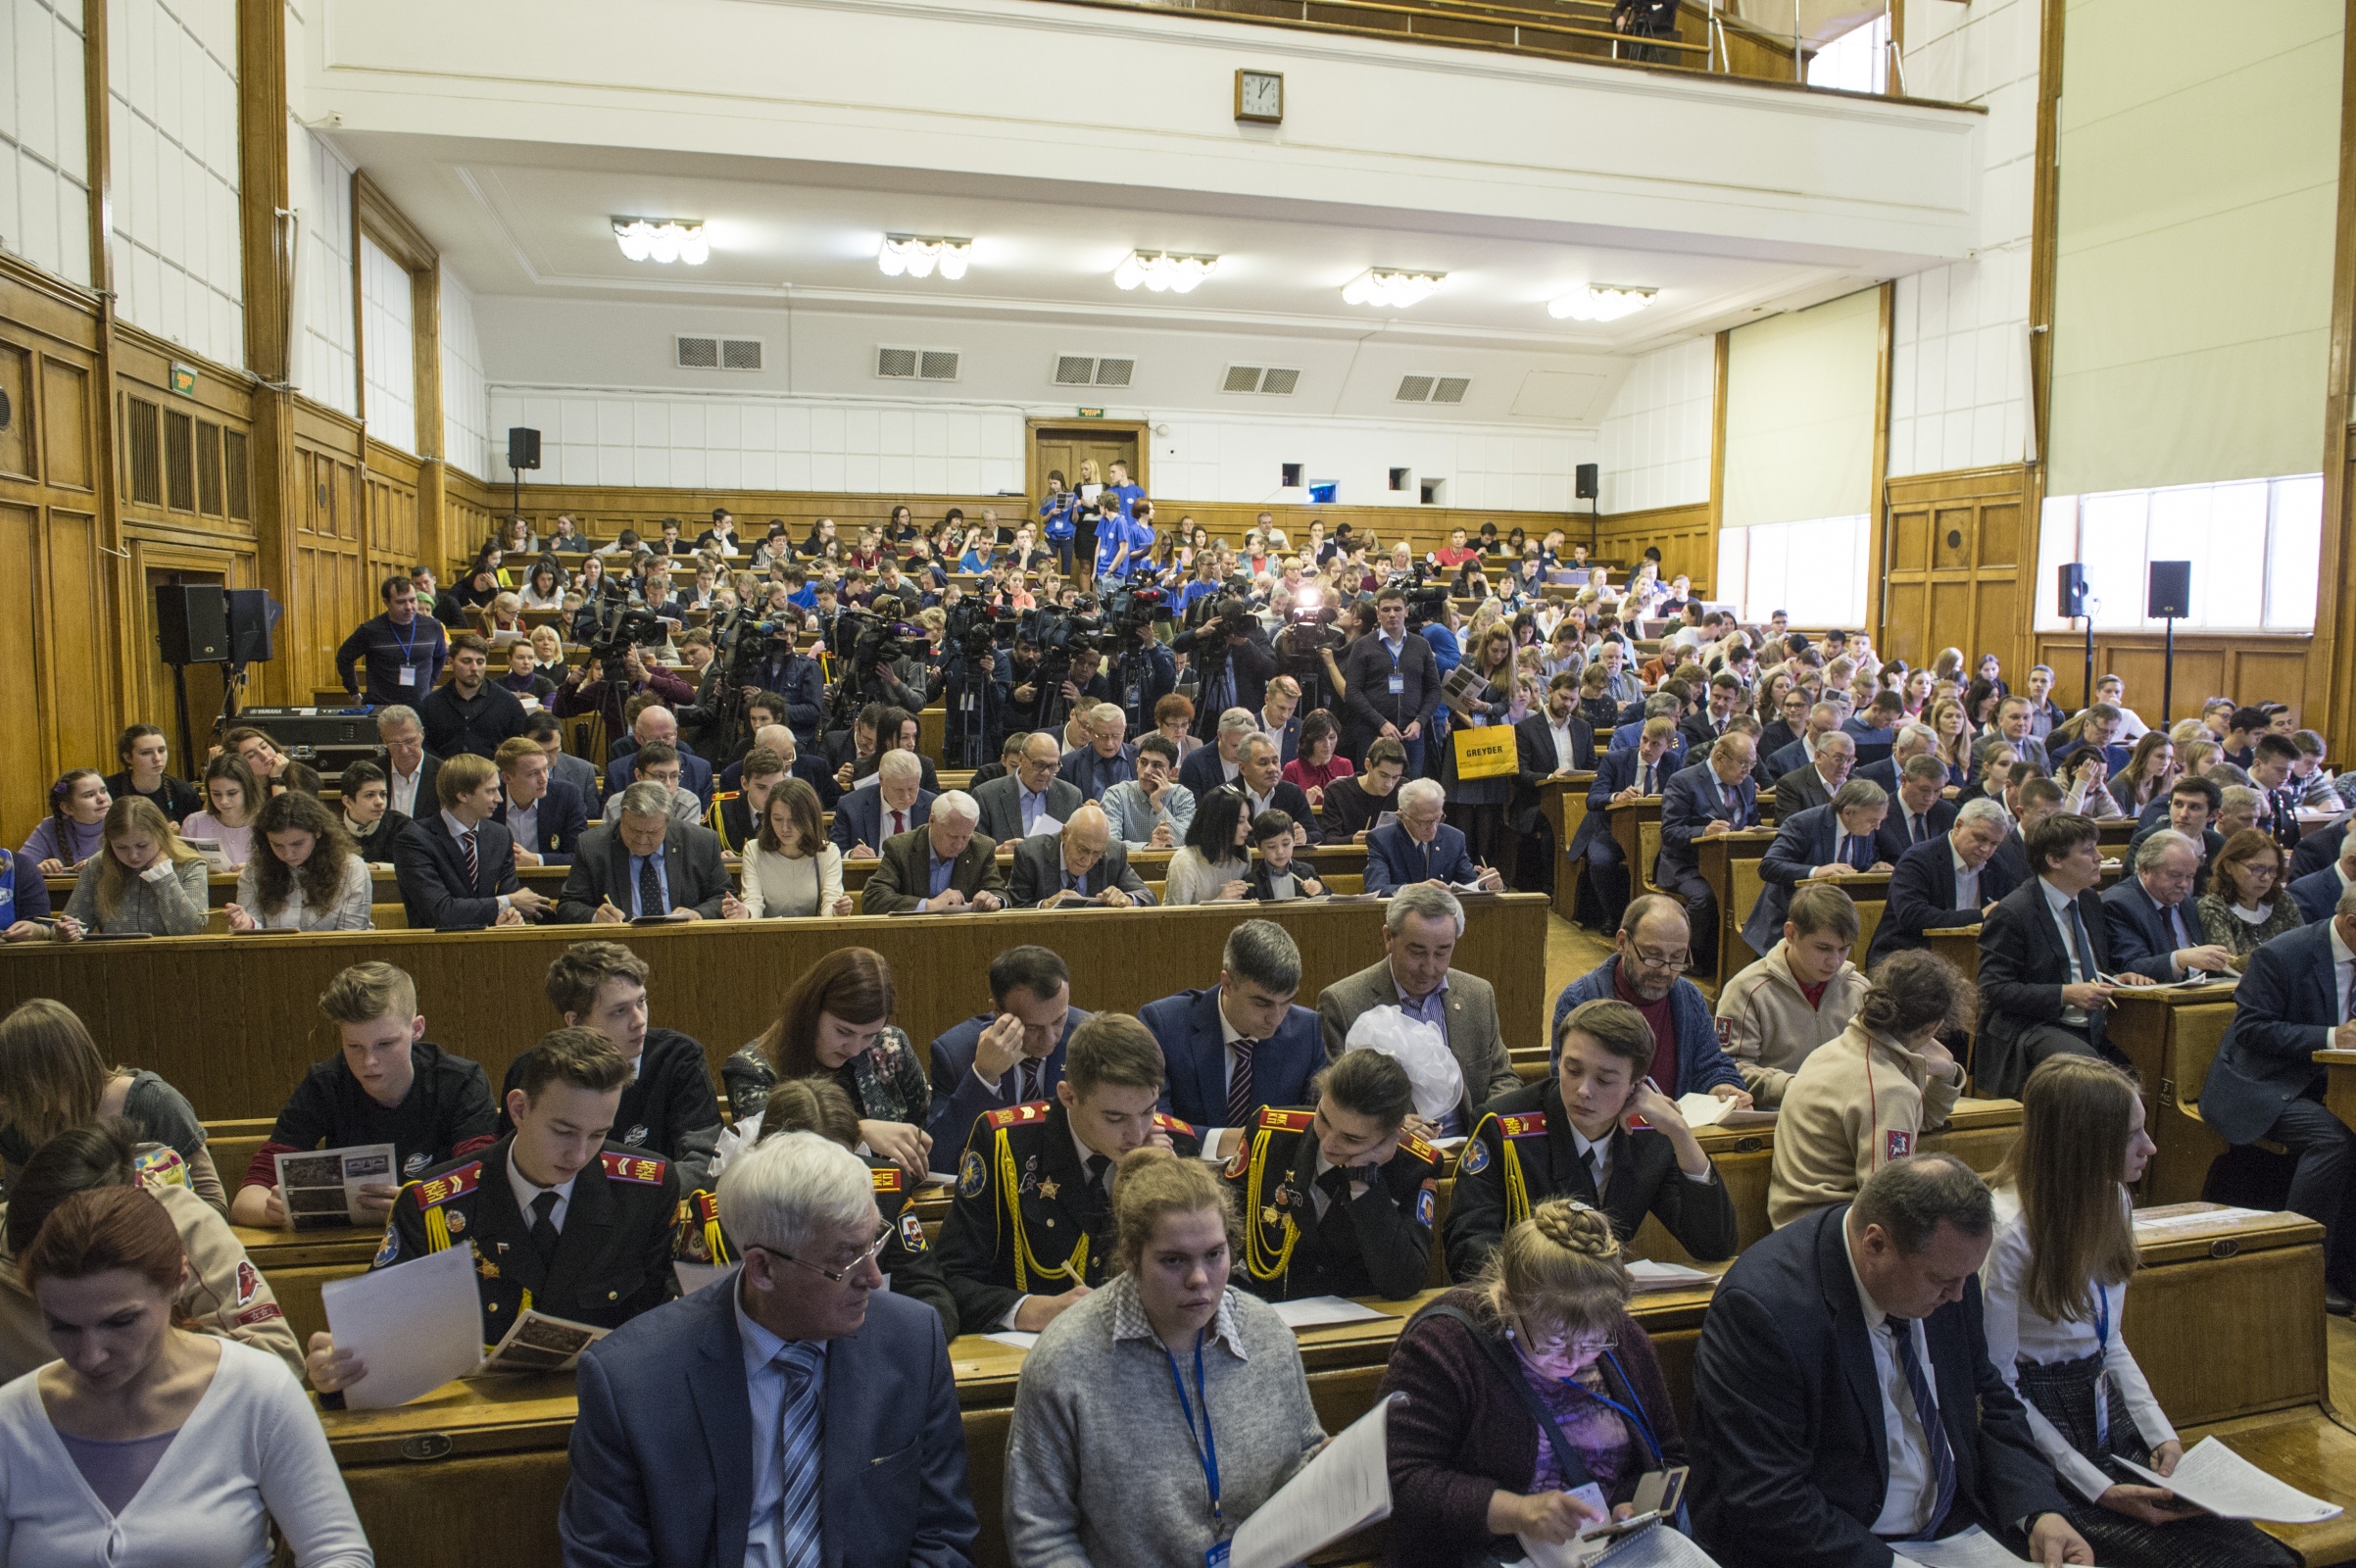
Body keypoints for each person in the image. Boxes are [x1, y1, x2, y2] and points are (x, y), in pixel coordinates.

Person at [560, 1130, 978, 1568]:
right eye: (845, 1259)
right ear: (762, 1268)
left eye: (873, 1243)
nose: (873, 1277)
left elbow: (943, 1537)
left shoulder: (911, 1341)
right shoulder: (631, 1380)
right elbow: (606, 1559)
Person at [1981, 1057, 2303, 1566]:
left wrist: (2162, 1435)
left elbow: (2109, 1344)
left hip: (2103, 1409)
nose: (2150, 1148)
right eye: (2133, 1135)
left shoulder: (2113, 1200)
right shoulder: (2009, 1234)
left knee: (2257, 1552)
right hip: (2039, 1437)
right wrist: (2098, 1487)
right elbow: (1999, 1390)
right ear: (2086, 1145)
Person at [1692, 1154, 2087, 1568]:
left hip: (1955, 1531)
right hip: (1837, 1546)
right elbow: (1769, 1498)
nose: (1957, 1295)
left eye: (1965, 1279)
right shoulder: (1764, 1309)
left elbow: (1989, 1396)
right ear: (1875, 1244)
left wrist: (2039, 1512)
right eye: (1942, 1281)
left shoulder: (1950, 1268)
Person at [0, 1184, 371, 1566]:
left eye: (121, 1321)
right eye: (63, 1327)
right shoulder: (10, 1420)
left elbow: (338, 1553)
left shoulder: (256, 1390)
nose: (91, 1356)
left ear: (179, 1280)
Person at [307, 1029, 680, 1396]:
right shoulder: (435, 1204)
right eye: (563, 1132)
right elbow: (377, 1338)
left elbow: (666, 1323)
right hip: (473, 1414)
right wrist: (334, 1369)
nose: (580, 1155)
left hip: (604, 1403)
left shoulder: (645, 1190)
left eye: (598, 1134)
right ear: (519, 1109)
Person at [1002, 1143, 1323, 1568]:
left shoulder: (1268, 1336)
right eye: (1174, 1261)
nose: (1199, 1279)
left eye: (1215, 1255)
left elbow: (1304, 1461)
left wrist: (1331, 1469)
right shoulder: (1066, 1360)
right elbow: (1039, 1531)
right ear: (1131, 1256)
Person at [1386, 1200, 1695, 1566]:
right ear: (1509, 1302)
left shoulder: (1624, 1338)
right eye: (1552, 1343)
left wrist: (1629, 1506)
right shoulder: (1444, 1343)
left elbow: (1668, 1453)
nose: (1572, 1359)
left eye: (1592, 1343)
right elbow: (1400, 1478)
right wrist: (1516, 1511)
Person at [936, 1012, 1201, 1333]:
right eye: (1115, 1118)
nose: (1137, 1133)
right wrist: (1034, 1309)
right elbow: (951, 1278)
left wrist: (1159, 1192)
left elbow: (1203, 1276)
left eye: (1148, 1110)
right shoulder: (1005, 1142)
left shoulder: (1177, 1146)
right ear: (1068, 1096)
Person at [1449, 998, 1737, 1280]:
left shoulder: (1651, 1133)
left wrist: (1681, 1133)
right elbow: (1469, 1250)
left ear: (1636, 1085)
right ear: (1559, 1060)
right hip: (1527, 1306)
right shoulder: (1502, 1127)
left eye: (1605, 1080)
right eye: (1572, 1070)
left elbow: (1713, 1245)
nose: (1583, 1090)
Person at [675, 1075, 957, 1336]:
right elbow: (692, 1316)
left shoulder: (886, 1190)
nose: (824, 1180)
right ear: (771, 1156)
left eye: (838, 1164)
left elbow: (933, 1301)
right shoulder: (722, 1206)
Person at [229, 963, 495, 1227]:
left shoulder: (460, 1082)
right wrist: (274, 1210)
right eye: (354, 1046)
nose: (369, 1061)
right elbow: (245, 1201)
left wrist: (416, 1205)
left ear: (416, 1029)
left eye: (385, 1044)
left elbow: (485, 1185)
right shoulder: (326, 1083)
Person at [2199, 884, 2356, 1314]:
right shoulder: (2284, 954)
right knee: (2335, 1138)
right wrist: (2331, 1037)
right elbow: (2252, 1029)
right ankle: (2301, 1264)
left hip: (2332, 1083)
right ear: (2352, 924)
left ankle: (2347, 1265)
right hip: (2262, 1084)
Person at [1770, 947, 1976, 1229]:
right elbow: (1889, 1207)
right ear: (1934, 1027)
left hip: (1796, 1228)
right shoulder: (1887, 1088)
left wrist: (1946, 1074)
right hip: (1827, 1238)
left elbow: (1919, 1119)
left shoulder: (1835, 1050)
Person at [1221, 1049, 1440, 1300]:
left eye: (1351, 1138)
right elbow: (1223, 1228)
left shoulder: (1415, 1166)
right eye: (1324, 1119)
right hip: (1267, 1306)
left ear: (1394, 1132)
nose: (1329, 1144)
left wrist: (1363, 1181)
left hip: (1358, 1323)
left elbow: (1402, 1282)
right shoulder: (1268, 1134)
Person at [1974, 812, 2158, 1098]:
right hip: (2035, 1026)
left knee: (2149, 1069)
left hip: (2093, 1023)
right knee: (2096, 1080)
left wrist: (2117, 978)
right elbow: (1993, 990)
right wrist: (2065, 994)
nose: (2100, 857)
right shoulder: (2014, 912)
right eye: (2088, 851)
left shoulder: (2088, 900)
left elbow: (2090, 965)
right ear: (2054, 860)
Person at [1319, 884, 1521, 1134]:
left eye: (1442, 953)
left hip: (1469, 1149)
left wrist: (1486, 1128)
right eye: (1417, 952)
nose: (1429, 967)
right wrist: (1391, 1125)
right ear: (1388, 938)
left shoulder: (1477, 995)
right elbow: (1336, 1101)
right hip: (1389, 1156)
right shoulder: (1344, 1003)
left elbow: (1503, 1078)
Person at [0, 998, 218, 1208]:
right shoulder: (18, 1121)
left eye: (14, 1082)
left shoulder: (157, 1104)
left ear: (49, 1072)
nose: (5, 1098)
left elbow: (213, 1205)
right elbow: (14, 1215)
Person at [745, 947, 933, 1180]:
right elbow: (768, 1153)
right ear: (812, 1010)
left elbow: (924, 1130)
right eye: (844, 1031)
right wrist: (858, 1130)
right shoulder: (754, 1068)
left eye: (869, 1035)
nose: (854, 1049)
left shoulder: (890, 1045)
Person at [1142, 919, 1326, 1135]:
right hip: (1184, 1166)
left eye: (1287, 1001)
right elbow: (1153, 1125)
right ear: (1227, 984)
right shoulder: (1164, 1025)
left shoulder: (1308, 1031)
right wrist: (1225, 1141)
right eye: (1262, 1003)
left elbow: (1317, 1128)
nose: (1276, 1018)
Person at [1715, 883, 1872, 1106]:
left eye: (1844, 948)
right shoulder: (1746, 989)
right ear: (1791, 933)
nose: (1835, 961)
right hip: (1774, 1116)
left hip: (1842, 1115)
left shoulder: (1859, 989)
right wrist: (1791, 1086)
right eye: (1823, 948)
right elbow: (1730, 1066)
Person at [925, 946, 1089, 1149]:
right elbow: (937, 1156)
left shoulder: (1091, 1039)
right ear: (997, 1011)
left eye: (1059, 1020)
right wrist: (983, 1076)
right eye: (1033, 1027)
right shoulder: (955, 1053)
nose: (1049, 1038)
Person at [392, 752, 554, 929]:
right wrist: (507, 902)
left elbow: (510, 898)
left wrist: (508, 917)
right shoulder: (414, 840)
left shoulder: (499, 835)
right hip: (436, 947)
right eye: (490, 791)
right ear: (463, 795)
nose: (499, 798)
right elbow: (441, 911)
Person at [554, 779, 735, 923]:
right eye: (634, 830)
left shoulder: (700, 842)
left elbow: (725, 897)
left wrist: (698, 914)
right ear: (622, 817)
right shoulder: (593, 845)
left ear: (667, 822)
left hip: (684, 944)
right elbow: (568, 905)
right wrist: (595, 916)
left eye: (652, 832)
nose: (642, 840)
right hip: (617, 950)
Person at [1870, 798, 2020, 966]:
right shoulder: (1919, 859)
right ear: (1958, 826)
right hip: (1907, 956)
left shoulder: (1997, 867)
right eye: (1980, 838)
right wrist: (1980, 916)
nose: (1986, 849)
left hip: (1969, 959)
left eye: (1994, 843)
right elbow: (1913, 915)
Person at [1656, 733, 1761, 968]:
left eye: (1752, 764)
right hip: (1687, 865)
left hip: (1731, 864)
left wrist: (1751, 830)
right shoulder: (1684, 781)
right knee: (1705, 897)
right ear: (1720, 757)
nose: (1748, 770)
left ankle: (1736, 960)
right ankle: (1688, 957)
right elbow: (1670, 832)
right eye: (1743, 763)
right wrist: (1704, 832)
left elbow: (1753, 818)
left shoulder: (1745, 784)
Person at [221, 790, 369, 932]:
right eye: (277, 845)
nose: (287, 854)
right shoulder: (254, 870)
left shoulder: (351, 868)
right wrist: (248, 925)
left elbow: (350, 939)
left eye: (297, 844)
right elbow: (254, 938)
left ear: (317, 832)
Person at [1339, 585, 1442, 770]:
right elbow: (1352, 691)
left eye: (1397, 609)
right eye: (1386, 610)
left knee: (1410, 792)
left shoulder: (1421, 646)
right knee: (1372, 791)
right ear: (1378, 613)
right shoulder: (1363, 646)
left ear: (1407, 611)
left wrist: (1421, 721)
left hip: (1412, 735)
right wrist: (1381, 723)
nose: (1392, 614)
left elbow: (1434, 689)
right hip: (1372, 733)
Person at [860, 789, 1006, 913]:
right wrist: (928, 905)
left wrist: (994, 900)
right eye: (952, 836)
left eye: (966, 837)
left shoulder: (982, 847)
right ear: (932, 821)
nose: (959, 844)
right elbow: (874, 898)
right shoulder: (900, 847)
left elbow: (999, 892)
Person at [2177, 825, 2297, 959]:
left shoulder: (2282, 900)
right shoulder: (2214, 906)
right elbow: (2230, 962)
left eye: (2272, 870)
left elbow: (2303, 948)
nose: (2266, 877)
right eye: (2256, 868)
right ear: (2229, 866)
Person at [1367, 776, 1502, 895]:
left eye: (1438, 819)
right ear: (1401, 816)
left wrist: (1488, 884)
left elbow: (1469, 884)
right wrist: (1416, 890)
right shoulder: (1381, 840)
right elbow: (1375, 889)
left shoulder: (1454, 838)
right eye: (1424, 822)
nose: (1433, 828)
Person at [742, 774, 851, 918]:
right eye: (778, 819)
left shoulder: (828, 852)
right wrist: (745, 913)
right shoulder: (754, 850)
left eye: (794, 820)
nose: (785, 828)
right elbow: (753, 902)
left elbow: (830, 902)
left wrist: (837, 912)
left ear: (809, 818)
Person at [1008, 802, 1154, 907]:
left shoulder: (1114, 853)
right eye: (1082, 850)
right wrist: (1044, 905)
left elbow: (1148, 896)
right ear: (1065, 834)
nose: (1088, 860)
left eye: (1097, 853)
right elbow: (1014, 909)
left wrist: (1128, 899)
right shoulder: (1030, 854)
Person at [337, 569, 447, 706]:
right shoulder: (370, 630)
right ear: (387, 603)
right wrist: (354, 693)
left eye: (412, 600)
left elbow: (440, 656)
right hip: (382, 707)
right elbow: (344, 657)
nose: (409, 607)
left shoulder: (433, 626)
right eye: (401, 602)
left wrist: (429, 685)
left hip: (420, 707)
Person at [417, 629, 529, 761]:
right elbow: (423, 745)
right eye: (466, 661)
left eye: (480, 662)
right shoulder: (431, 703)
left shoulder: (508, 702)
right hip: (445, 777)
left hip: (493, 777)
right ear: (451, 663)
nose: (474, 667)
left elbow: (520, 746)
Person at [491, 735, 587, 867]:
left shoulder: (566, 795)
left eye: (545, 769)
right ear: (507, 777)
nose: (543, 779)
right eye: (533, 773)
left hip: (551, 882)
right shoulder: (489, 800)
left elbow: (579, 855)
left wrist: (537, 860)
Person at [972, 731, 1084, 844]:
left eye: (1052, 766)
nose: (1045, 773)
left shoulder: (1071, 797)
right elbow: (975, 853)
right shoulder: (986, 796)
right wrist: (996, 853)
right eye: (1039, 765)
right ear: (1021, 759)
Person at [831, 747, 937, 858]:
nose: (906, 797)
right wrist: (850, 854)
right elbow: (834, 852)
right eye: (898, 790)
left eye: (912, 788)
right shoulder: (851, 806)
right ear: (881, 780)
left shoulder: (933, 806)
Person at [1103, 731, 1195, 850]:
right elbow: (1109, 844)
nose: (1146, 771)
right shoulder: (1116, 795)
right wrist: (1147, 847)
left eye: (1156, 765)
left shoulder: (1183, 796)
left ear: (1172, 772)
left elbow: (1186, 843)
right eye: (1143, 762)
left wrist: (1157, 804)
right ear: (1137, 763)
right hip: (1127, 867)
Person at [1162, 785, 1252, 906]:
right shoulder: (1184, 861)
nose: (1249, 827)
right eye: (1240, 821)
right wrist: (1220, 901)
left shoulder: (1243, 854)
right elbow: (1175, 919)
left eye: (1248, 819)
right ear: (1218, 822)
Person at [105, 724, 202, 825]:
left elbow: (197, 835)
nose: (157, 758)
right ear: (128, 758)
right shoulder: (108, 790)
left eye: (161, 750)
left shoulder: (184, 792)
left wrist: (181, 833)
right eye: (146, 753)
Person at [178, 752, 261, 868]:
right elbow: (183, 869)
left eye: (232, 793)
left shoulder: (266, 823)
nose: (223, 801)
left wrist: (254, 870)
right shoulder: (194, 823)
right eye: (216, 794)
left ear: (248, 789)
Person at [25, 768, 110, 870]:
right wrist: (38, 869)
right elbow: (17, 870)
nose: (102, 799)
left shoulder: (126, 821)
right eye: (89, 795)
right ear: (68, 808)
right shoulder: (49, 827)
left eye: (103, 791)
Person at [373, 704, 440, 820]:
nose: (403, 750)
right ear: (384, 741)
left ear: (422, 734)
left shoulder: (444, 774)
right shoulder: (372, 772)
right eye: (394, 744)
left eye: (409, 741)